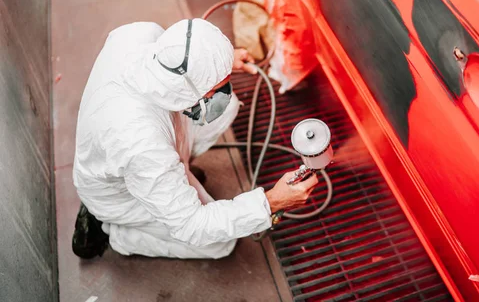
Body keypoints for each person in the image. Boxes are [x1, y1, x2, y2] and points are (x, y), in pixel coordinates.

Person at [71, 18, 318, 259]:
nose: (220, 89)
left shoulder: (141, 34)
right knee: (220, 244)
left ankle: (172, 184)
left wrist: (220, 62)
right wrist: (271, 202)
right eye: (213, 87)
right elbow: (193, 226)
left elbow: (184, 56)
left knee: (227, 105)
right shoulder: (141, 144)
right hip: (120, 194)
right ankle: (116, 233)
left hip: (141, 156)